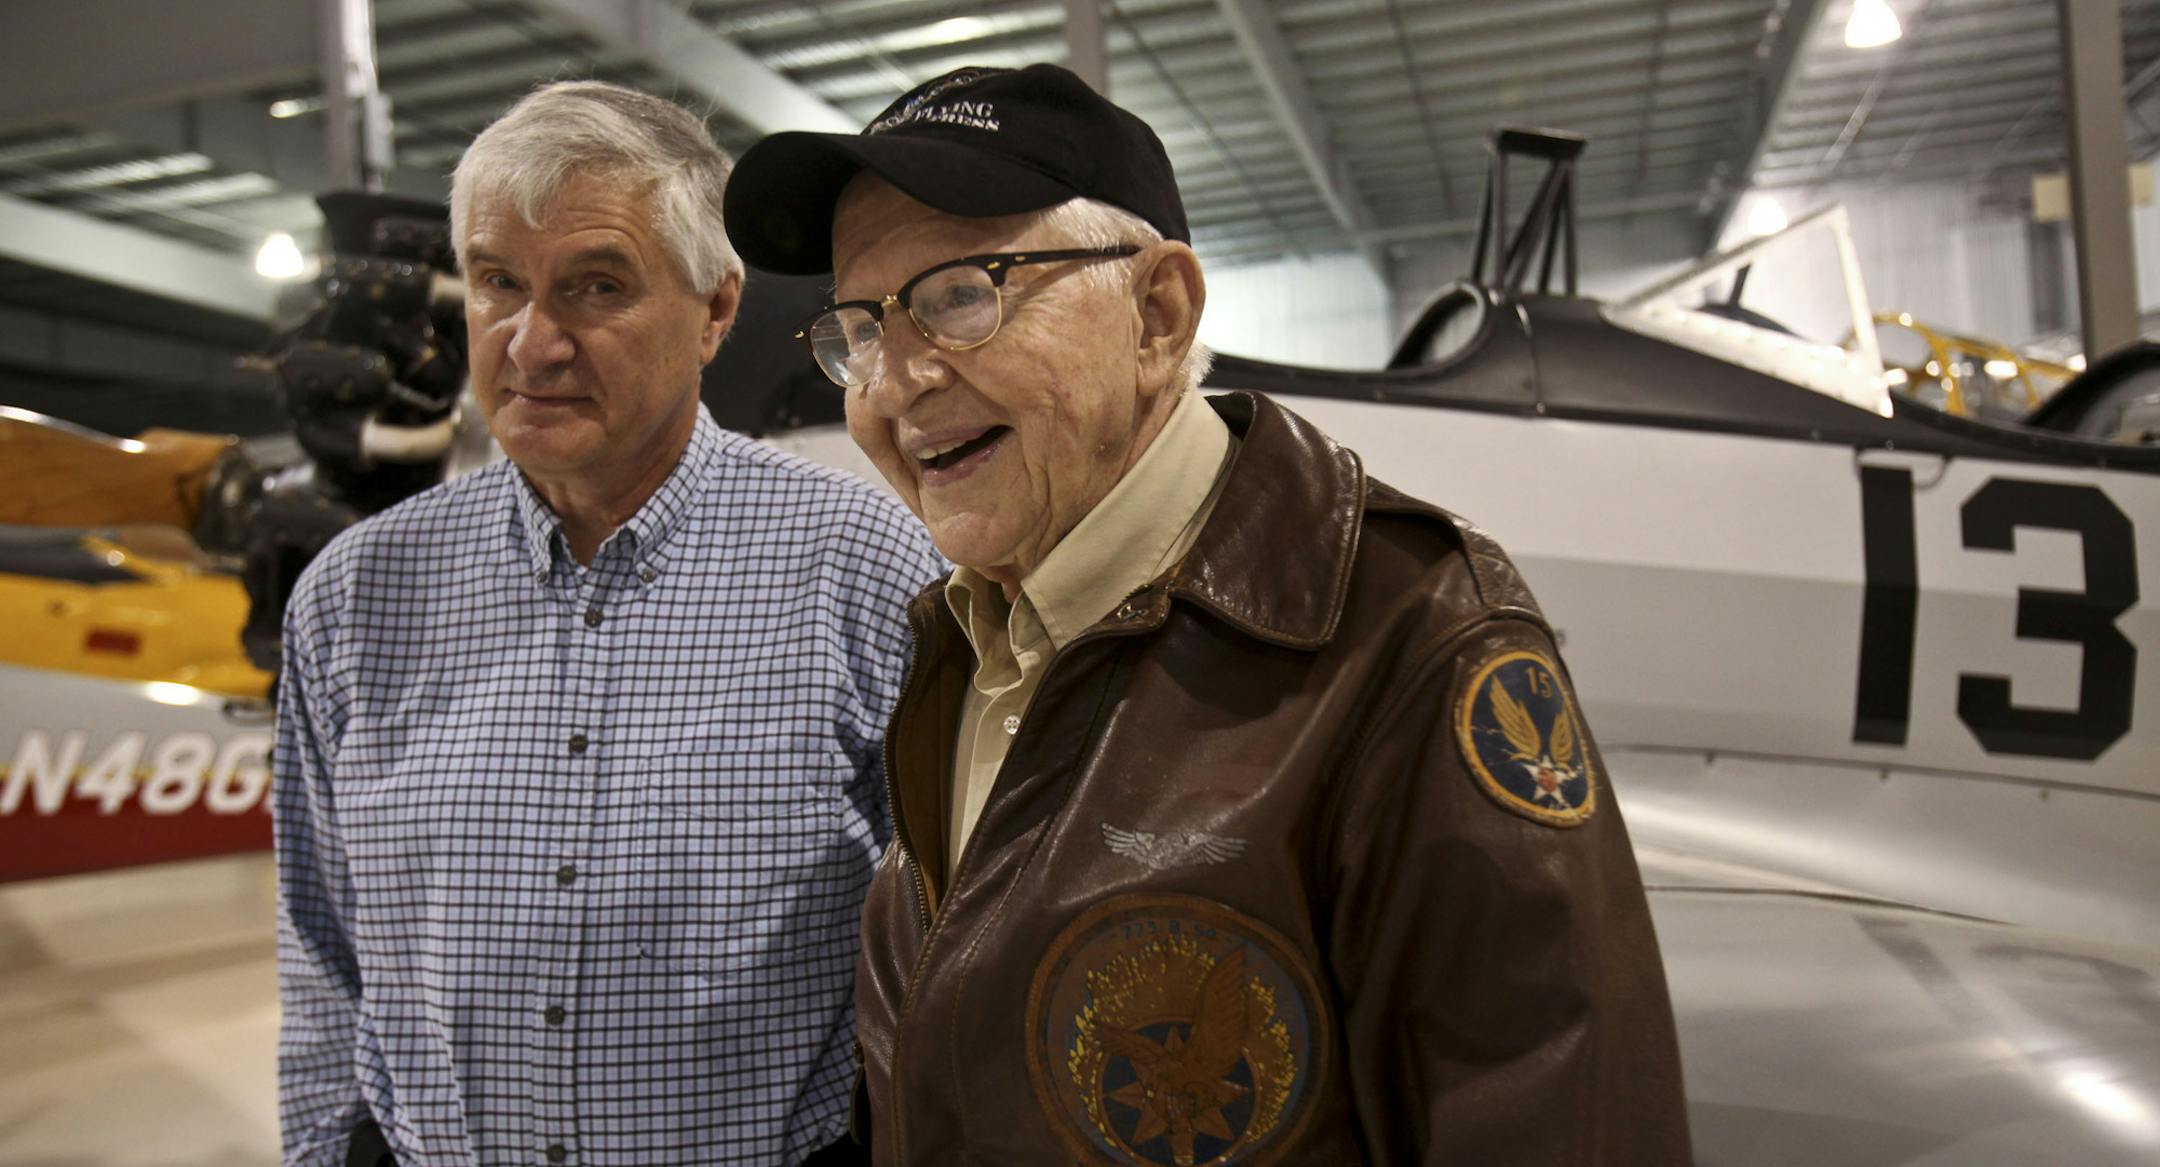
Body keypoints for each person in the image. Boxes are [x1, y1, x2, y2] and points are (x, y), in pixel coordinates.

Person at [721, 63, 1692, 1164]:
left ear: (1158, 313)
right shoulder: (960, 642)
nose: (894, 385)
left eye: (960, 294)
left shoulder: (1412, 637)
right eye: (859, 327)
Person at [273, 81, 942, 1167]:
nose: (532, 345)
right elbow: (319, 943)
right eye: (498, 283)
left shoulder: (863, 569)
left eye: (596, 287)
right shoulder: (355, 595)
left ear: (716, 309)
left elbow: (950, 942)